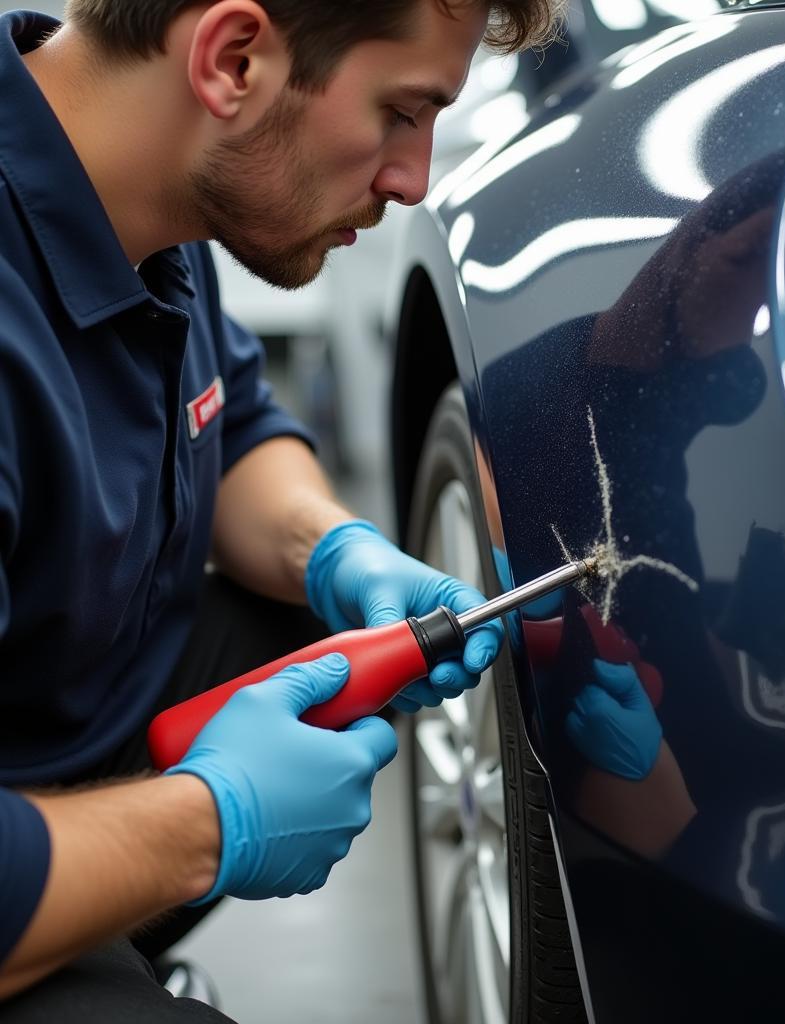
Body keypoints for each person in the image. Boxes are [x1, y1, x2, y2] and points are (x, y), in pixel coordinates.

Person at [0, 0, 561, 1016]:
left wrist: (335, 552)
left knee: (340, 638)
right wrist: (206, 823)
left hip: (66, 722)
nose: (412, 179)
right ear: (234, 58)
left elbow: (235, 421)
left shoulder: (152, 178)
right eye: (399, 112)